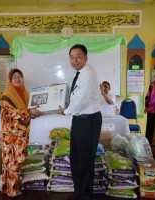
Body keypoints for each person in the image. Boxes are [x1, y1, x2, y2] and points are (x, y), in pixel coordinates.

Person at [58, 44, 102, 200]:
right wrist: (59, 90)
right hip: (79, 120)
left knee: (84, 160)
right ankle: (80, 192)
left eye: (78, 56)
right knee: (76, 158)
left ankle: (84, 195)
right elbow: (76, 94)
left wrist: (66, 111)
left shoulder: (88, 74)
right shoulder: (80, 73)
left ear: (85, 57)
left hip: (88, 121)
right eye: (71, 57)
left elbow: (81, 100)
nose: (74, 60)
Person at [0, 68, 41, 197]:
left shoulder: (26, 94)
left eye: (19, 76)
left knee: (17, 161)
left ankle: (9, 188)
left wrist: (35, 114)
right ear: (10, 80)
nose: (17, 79)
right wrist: (29, 112)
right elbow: (12, 113)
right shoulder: (7, 95)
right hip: (12, 135)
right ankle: (12, 191)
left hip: (22, 134)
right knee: (12, 161)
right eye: (14, 77)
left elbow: (27, 112)